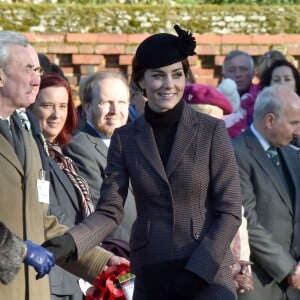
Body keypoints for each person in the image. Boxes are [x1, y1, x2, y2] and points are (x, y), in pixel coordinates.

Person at [44, 24, 242, 300]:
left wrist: (197, 272)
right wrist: (67, 243)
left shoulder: (211, 131)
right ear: (141, 82)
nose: (169, 84)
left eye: (177, 75)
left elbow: (230, 211)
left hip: (206, 277)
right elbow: (109, 211)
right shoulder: (126, 138)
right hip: (152, 276)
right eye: (158, 76)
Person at [0, 30, 128, 300]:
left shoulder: (26, 133)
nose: (37, 79)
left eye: (38, 69)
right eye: (27, 70)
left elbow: (42, 220)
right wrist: (17, 250)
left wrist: (99, 262)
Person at [182, 83, 254, 294]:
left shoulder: (222, 155)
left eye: (220, 121)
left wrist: (242, 261)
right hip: (195, 274)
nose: (218, 129)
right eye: (211, 121)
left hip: (226, 275)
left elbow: (237, 213)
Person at [232, 84, 300, 300]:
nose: (298, 130)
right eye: (294, 123)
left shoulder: (291, 153)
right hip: (260, 285)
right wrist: (289, 268)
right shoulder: (237, 153)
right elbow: (246, 219)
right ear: (270, 120)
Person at [29, 73, 93, 300]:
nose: (57, 115)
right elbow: (49, 216)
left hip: (74, 276)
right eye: (47, 105)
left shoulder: (62, 157)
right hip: (51, 277)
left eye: (63, 106)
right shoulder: (31, 154)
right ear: (30, 106)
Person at [62, 70, 136, 252]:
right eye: (106, 103)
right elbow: (101, 212)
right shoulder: (78, 148)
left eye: (121, 102)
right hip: (118, 255)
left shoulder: (135, 143)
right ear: (87, 107)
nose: (115, 110)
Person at [222, 50, 260, 137]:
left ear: (253, 73)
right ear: (223, 74)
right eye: (231, 70)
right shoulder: (212, 104)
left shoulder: (264, 101)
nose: (238, 74)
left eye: (243, 69)